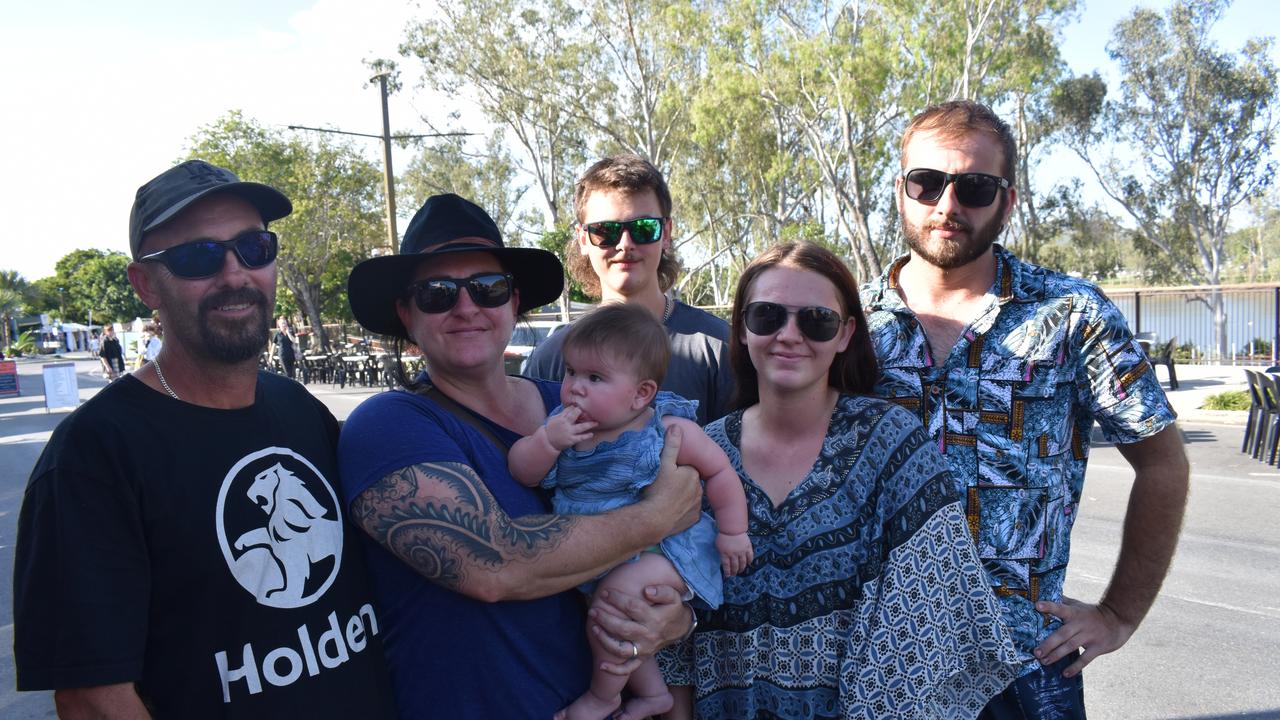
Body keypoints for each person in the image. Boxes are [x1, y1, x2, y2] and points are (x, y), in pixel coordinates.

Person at [12, 159, 395, 719]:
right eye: (198, 257)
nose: (235, 274)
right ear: (145, 284)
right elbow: (94, 697)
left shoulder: (300, 409)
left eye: (254, 248)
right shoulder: (92, 457)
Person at [860, 100, 1190, 719]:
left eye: (974, 187)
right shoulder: (846, 325)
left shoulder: (1072, 313)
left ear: (1007, 201)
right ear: (901, 192)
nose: (947, 205)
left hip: (1025, 666)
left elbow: (1163, 463)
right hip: (876, 660)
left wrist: (1119, 614)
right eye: (927, 183)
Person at [339, 192, 704, 720]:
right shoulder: (389, 426)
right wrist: (654, 517)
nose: (467, 307)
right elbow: (496, 568)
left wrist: (675, 617)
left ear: (513, 302)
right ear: (406, 314)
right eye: (438, 293)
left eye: (487, 288)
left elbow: (691, 516)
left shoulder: (579, 401)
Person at [680, 241, 1019, 719]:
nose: (789, 335)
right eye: (767, 316)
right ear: (740, 329)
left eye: (816, 320)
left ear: (845, 334)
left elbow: (926, 625)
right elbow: (672, 631)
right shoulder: (700, 455)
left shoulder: (893, 447)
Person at [508, 304, 753, 720]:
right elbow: (522, 469)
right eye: (570, 372)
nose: (575, 388)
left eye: (595, 378)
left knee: (614, 605)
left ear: (642, 393)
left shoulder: (666, 431)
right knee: (614, 616)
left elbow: (720, 472)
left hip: (666, 550)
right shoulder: (562, 427)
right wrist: (548, 441)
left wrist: (733, 533)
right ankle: (654, 694)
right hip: (598, 553)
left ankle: (603, 698)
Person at [523, 153, 734, 426]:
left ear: (666, 233)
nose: (625, 244)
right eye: (605, 231)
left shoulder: (719, 349)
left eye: (643, 228)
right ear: (583, 240)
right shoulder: (551, 359)